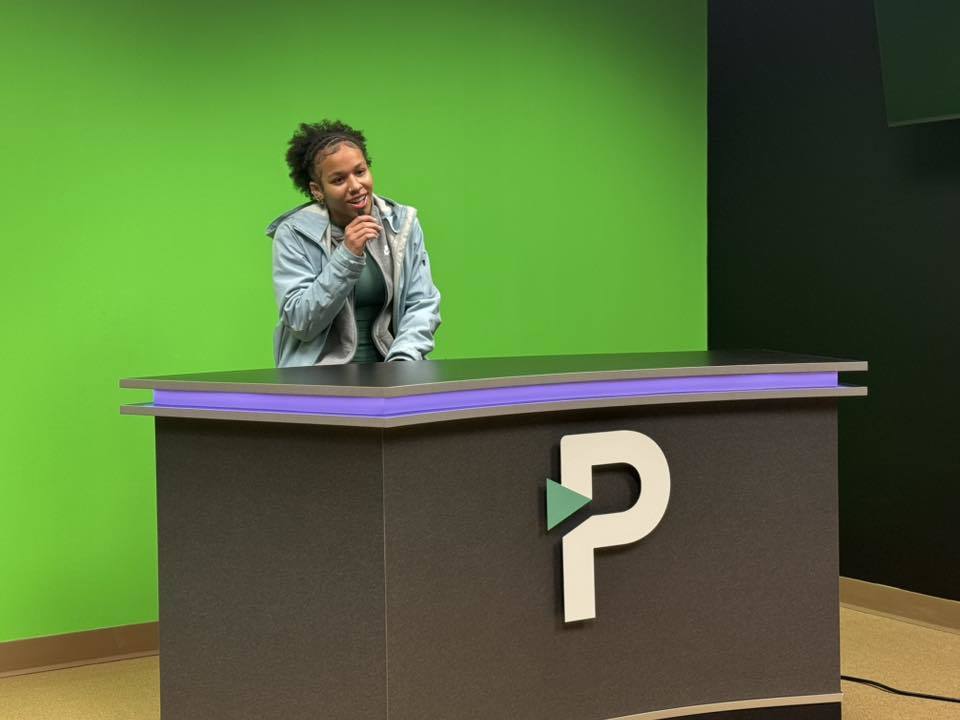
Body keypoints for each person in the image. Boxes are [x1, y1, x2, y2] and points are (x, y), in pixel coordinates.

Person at [266, 120, 441, 367]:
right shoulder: (294, 233)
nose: (356, 186)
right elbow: (300, 322)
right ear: (317, 190)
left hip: (391, 369)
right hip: (318, 377)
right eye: (339, 180)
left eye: (360, 172)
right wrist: (347, 255)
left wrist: (402, 362)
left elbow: (422, 304)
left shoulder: (400, 223)